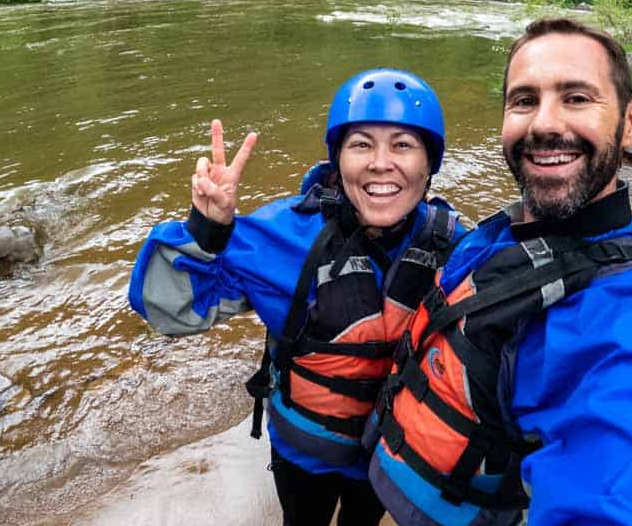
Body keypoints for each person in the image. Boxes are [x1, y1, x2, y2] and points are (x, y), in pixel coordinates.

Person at [365, 19, 632, 526]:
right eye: (524, 101)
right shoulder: (511, 229)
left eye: (576, 98)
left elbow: (619, 489)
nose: (544, 124)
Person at [128, 69, 466, 526]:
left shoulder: (457, 250)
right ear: (338, 160)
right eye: (361, 144)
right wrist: (205, 232)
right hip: (304, 456)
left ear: (429, 165)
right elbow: (170, 311)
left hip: (386, 454)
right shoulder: (283, 236)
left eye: (403, 145)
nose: (381, 163)